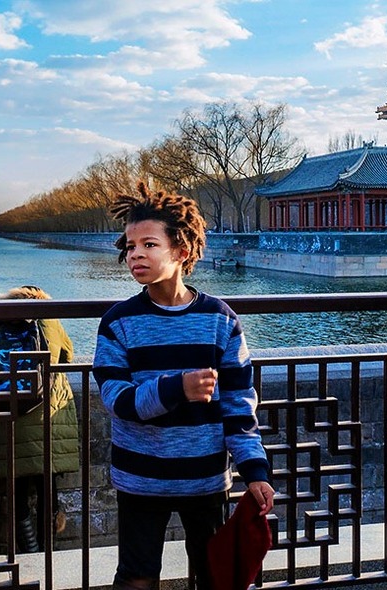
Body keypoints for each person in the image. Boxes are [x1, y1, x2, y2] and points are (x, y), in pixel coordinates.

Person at [93, 182, 275, 590]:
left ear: (182, 251)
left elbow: (239, 404)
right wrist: (178, 388)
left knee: (213, 575)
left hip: (205, 477)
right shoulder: (118, 322)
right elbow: (116, 399)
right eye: (130, 245)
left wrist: (254, 470)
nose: (136, 253)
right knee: (137, 578)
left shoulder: (220, 319)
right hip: (140, 477)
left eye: (149, 244)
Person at [0, 285, 80, 552]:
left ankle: (29, 549)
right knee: (47, 488)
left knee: (17, 491)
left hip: (10, 416)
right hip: (45, 416)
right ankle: (46, 551)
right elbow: (67, 356)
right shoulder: (49, 318)